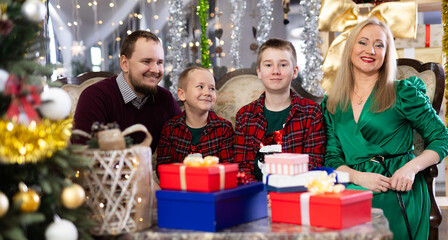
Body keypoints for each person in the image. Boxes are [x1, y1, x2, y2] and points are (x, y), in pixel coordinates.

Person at [322, 17, 448, 240]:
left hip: (396, 186)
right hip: (353, 185)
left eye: (379, 45)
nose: (370, 50)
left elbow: (442, 137)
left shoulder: (403, 93)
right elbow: (331, 158)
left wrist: (411, 168)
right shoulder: (332, 103)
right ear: (350, 47)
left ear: (386, 53)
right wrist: (358, 177)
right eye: (363, 42)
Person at [234, 38, 326, 182]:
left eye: (283, 65)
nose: (275, 71)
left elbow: (313, 163)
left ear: (295, 71)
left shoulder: (311, 113)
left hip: (295, 192)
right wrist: (258, 193)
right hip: (256, 194)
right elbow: (242, 165)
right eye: (268, 65)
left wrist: (284, 188)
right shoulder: (245, 116)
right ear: (259, 72)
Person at [73, 30, 181, 152]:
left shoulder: (165, 99)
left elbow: (185, 139)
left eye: (159, 62)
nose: (156, 70)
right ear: (124, 64)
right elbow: (81, 154)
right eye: (146, 61)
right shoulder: (94, 97)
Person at [156, 66, 234, 170]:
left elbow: (227, 168)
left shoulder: (224, 128)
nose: (207, 93)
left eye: (211, 88)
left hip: (214, 184)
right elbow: (163, 169)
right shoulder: (170, 129)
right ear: (182, 94)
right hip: (179, 184)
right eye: (200, 86)